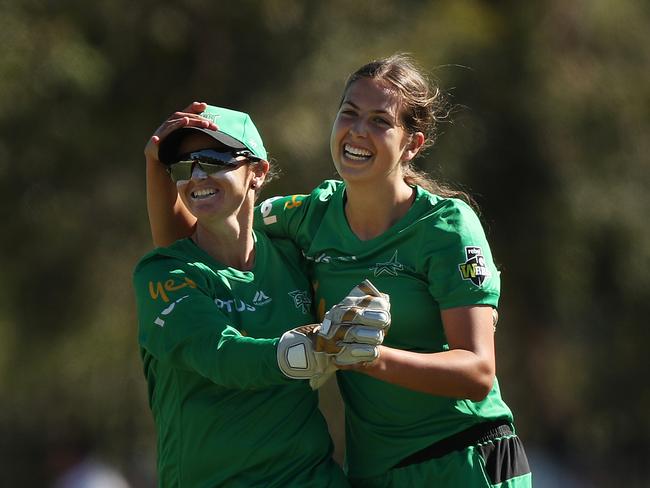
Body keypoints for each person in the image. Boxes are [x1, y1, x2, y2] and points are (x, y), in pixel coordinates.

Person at [147, 54, 532, 487]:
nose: (358, 131)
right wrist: (156, 164)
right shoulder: (308, 216)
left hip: (464, 461)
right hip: (372, 473)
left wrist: (367, 357)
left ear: (413, 144)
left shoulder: (447, 227)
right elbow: (194, 241)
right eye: (349, 113)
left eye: (380, 121)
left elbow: (477, 373)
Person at [133, 104, 389, 487]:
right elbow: (218, 354)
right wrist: (311, 347)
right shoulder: (164, 273)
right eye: (183, 167)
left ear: (258, 172)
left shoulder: (292, 255)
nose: (197, 175)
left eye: (214, 159)